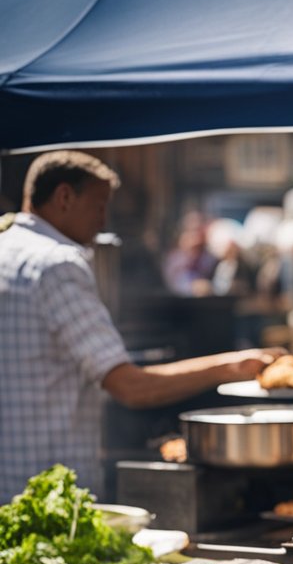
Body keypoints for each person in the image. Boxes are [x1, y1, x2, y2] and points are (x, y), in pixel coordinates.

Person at [0, 151, 276, 500]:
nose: (102, 221)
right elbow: (131, 387)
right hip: (51, 498)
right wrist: (234, 365)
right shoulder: (58, 264)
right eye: (99, 206)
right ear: (65, 197)